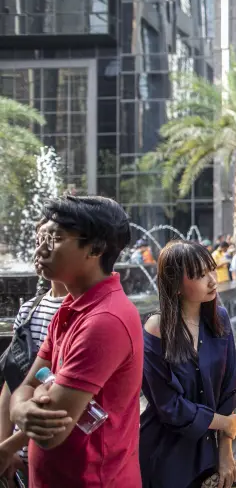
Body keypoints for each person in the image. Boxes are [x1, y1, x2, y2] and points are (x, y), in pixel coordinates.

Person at [9, 195, 142, 487]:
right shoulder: (70, 307)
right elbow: (28, 386)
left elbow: (50, 433)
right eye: (43, 236)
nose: (41, 248)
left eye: (55, 238)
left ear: (95, 248)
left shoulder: (105, 320)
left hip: (92, 479)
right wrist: (20, 409)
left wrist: (23, 407)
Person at [140, 241, 236, 488]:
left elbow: (229, 389)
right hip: (166, 452)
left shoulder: (220, 319)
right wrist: (224, 423)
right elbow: (168, 406)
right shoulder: (157, 329)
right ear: (175, 285)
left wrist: (225, 449)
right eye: (199, 275)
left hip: (209, 449)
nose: (212, 280)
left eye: (211, 270)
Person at [0, 240, 67, 482]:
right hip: (20, 452)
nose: (39, 250)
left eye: (52, 240)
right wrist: (5, 446)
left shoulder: (78, 312)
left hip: (57, 448)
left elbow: (65, 396)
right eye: (37, 241)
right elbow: (12, 380)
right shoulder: (30, 308)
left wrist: (11, 446)